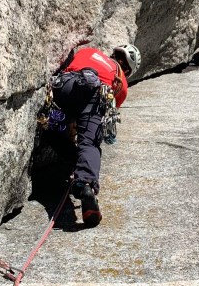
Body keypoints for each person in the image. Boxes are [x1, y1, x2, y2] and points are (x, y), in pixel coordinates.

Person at [43, 42, 141, 226]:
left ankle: (71, 157)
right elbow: (105, 116)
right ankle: (85, 183)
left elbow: (66, 66)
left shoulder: (88, 52)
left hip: (64, 87)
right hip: (96, 93)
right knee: (89, 144)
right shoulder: (122, 81)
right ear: (128, 69)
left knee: (53, 128)